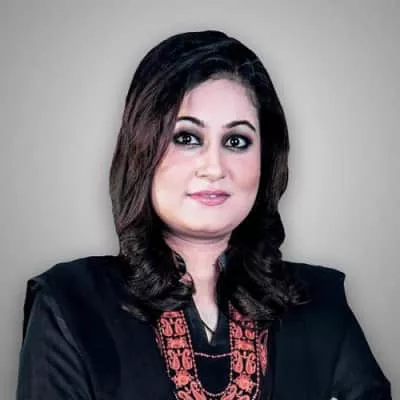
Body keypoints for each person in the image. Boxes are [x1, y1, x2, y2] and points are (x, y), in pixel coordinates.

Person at [16, 30, 391, 400]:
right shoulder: (72, 304)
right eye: (187, 138)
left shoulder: (319, 305)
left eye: (236, 141)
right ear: (141, 150)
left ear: (265, 160)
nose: (214, 167)